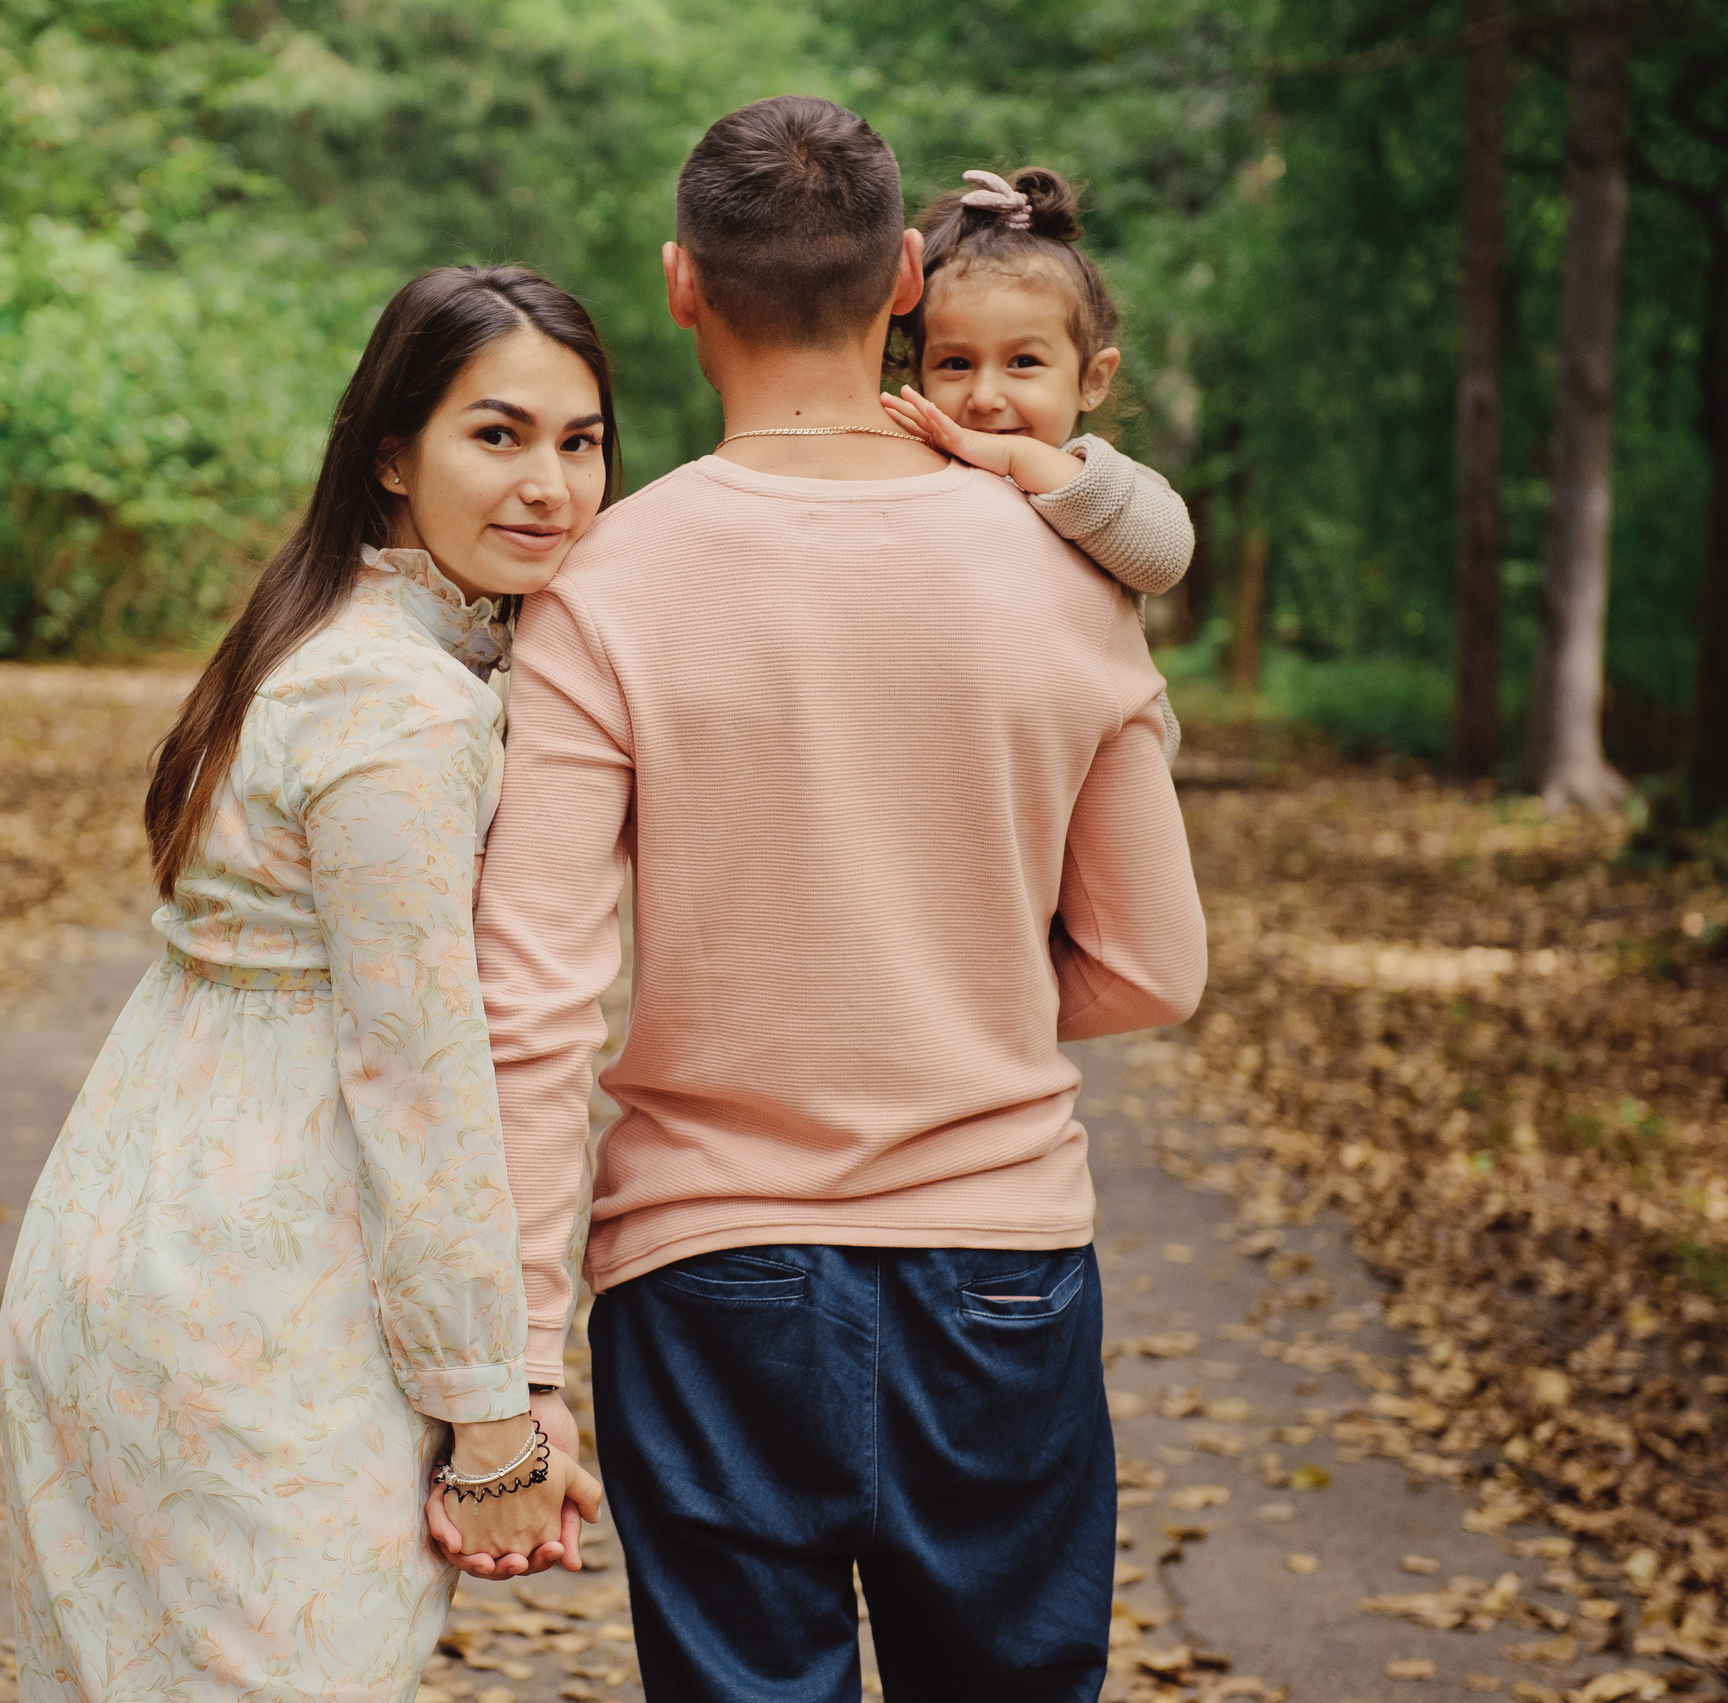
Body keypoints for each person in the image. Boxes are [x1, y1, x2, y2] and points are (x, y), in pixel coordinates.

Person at [467, 97, 1208, 1699]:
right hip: (1000, 1266)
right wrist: (950, 979)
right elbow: (1154, 965)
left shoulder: (600, 580)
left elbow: (529, 1006)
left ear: (679, 283)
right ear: (900, 284)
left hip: (703, 1275)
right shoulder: (1071, 561)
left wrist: (517, 1364)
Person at [0, 264, 608, 1702]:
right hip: (253, 1306)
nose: (551, 485)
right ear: (392, 453)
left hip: (135, 1242)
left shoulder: (330, 633)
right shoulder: (401, 706)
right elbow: (421, 1075)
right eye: (498, 435)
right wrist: (494, 1413)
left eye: (581, 441)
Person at [879, 166, 1195, 765]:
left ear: (1092, 379)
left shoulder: (1093, 480)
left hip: (1091, 775)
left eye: (1023, 361)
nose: (986, 396)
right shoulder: (911, 475)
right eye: (954, 364)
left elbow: (1163, 555)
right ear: (916, 371)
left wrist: (1018, 457)